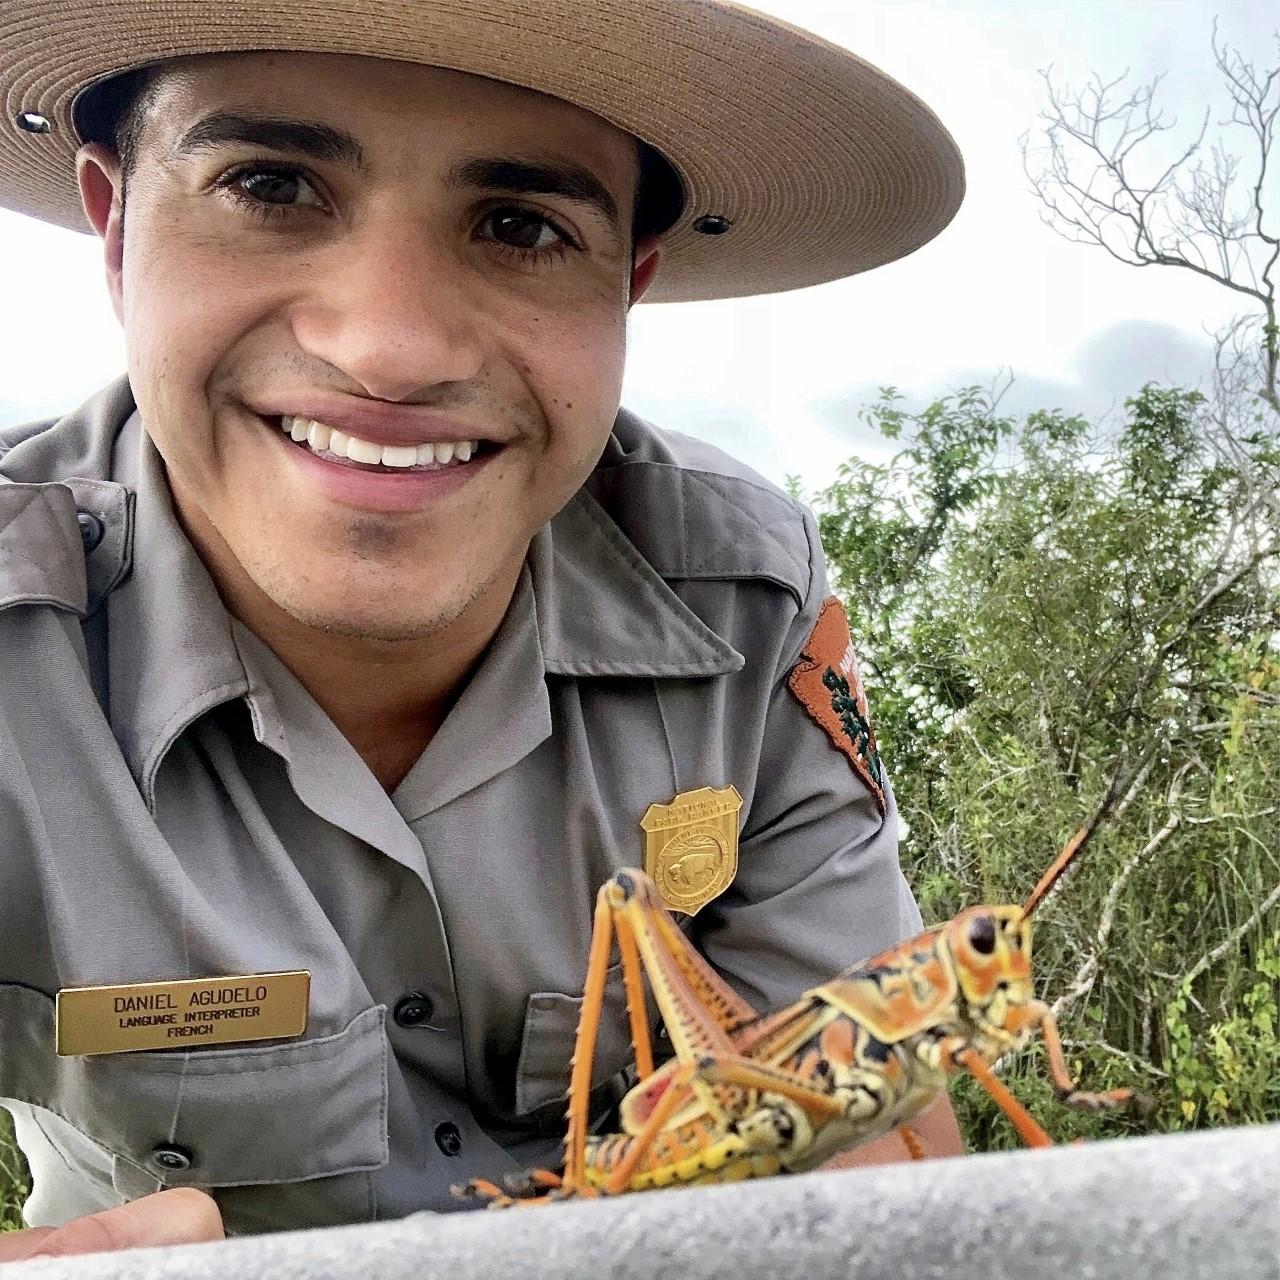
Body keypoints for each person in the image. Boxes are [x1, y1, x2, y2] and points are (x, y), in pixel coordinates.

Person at [0, 0, 967, 1258]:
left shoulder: (745, 604)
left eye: (521, 226)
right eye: (270, 185)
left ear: (626, 284)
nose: (390, 349)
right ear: (117, 228)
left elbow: (880, 1156)